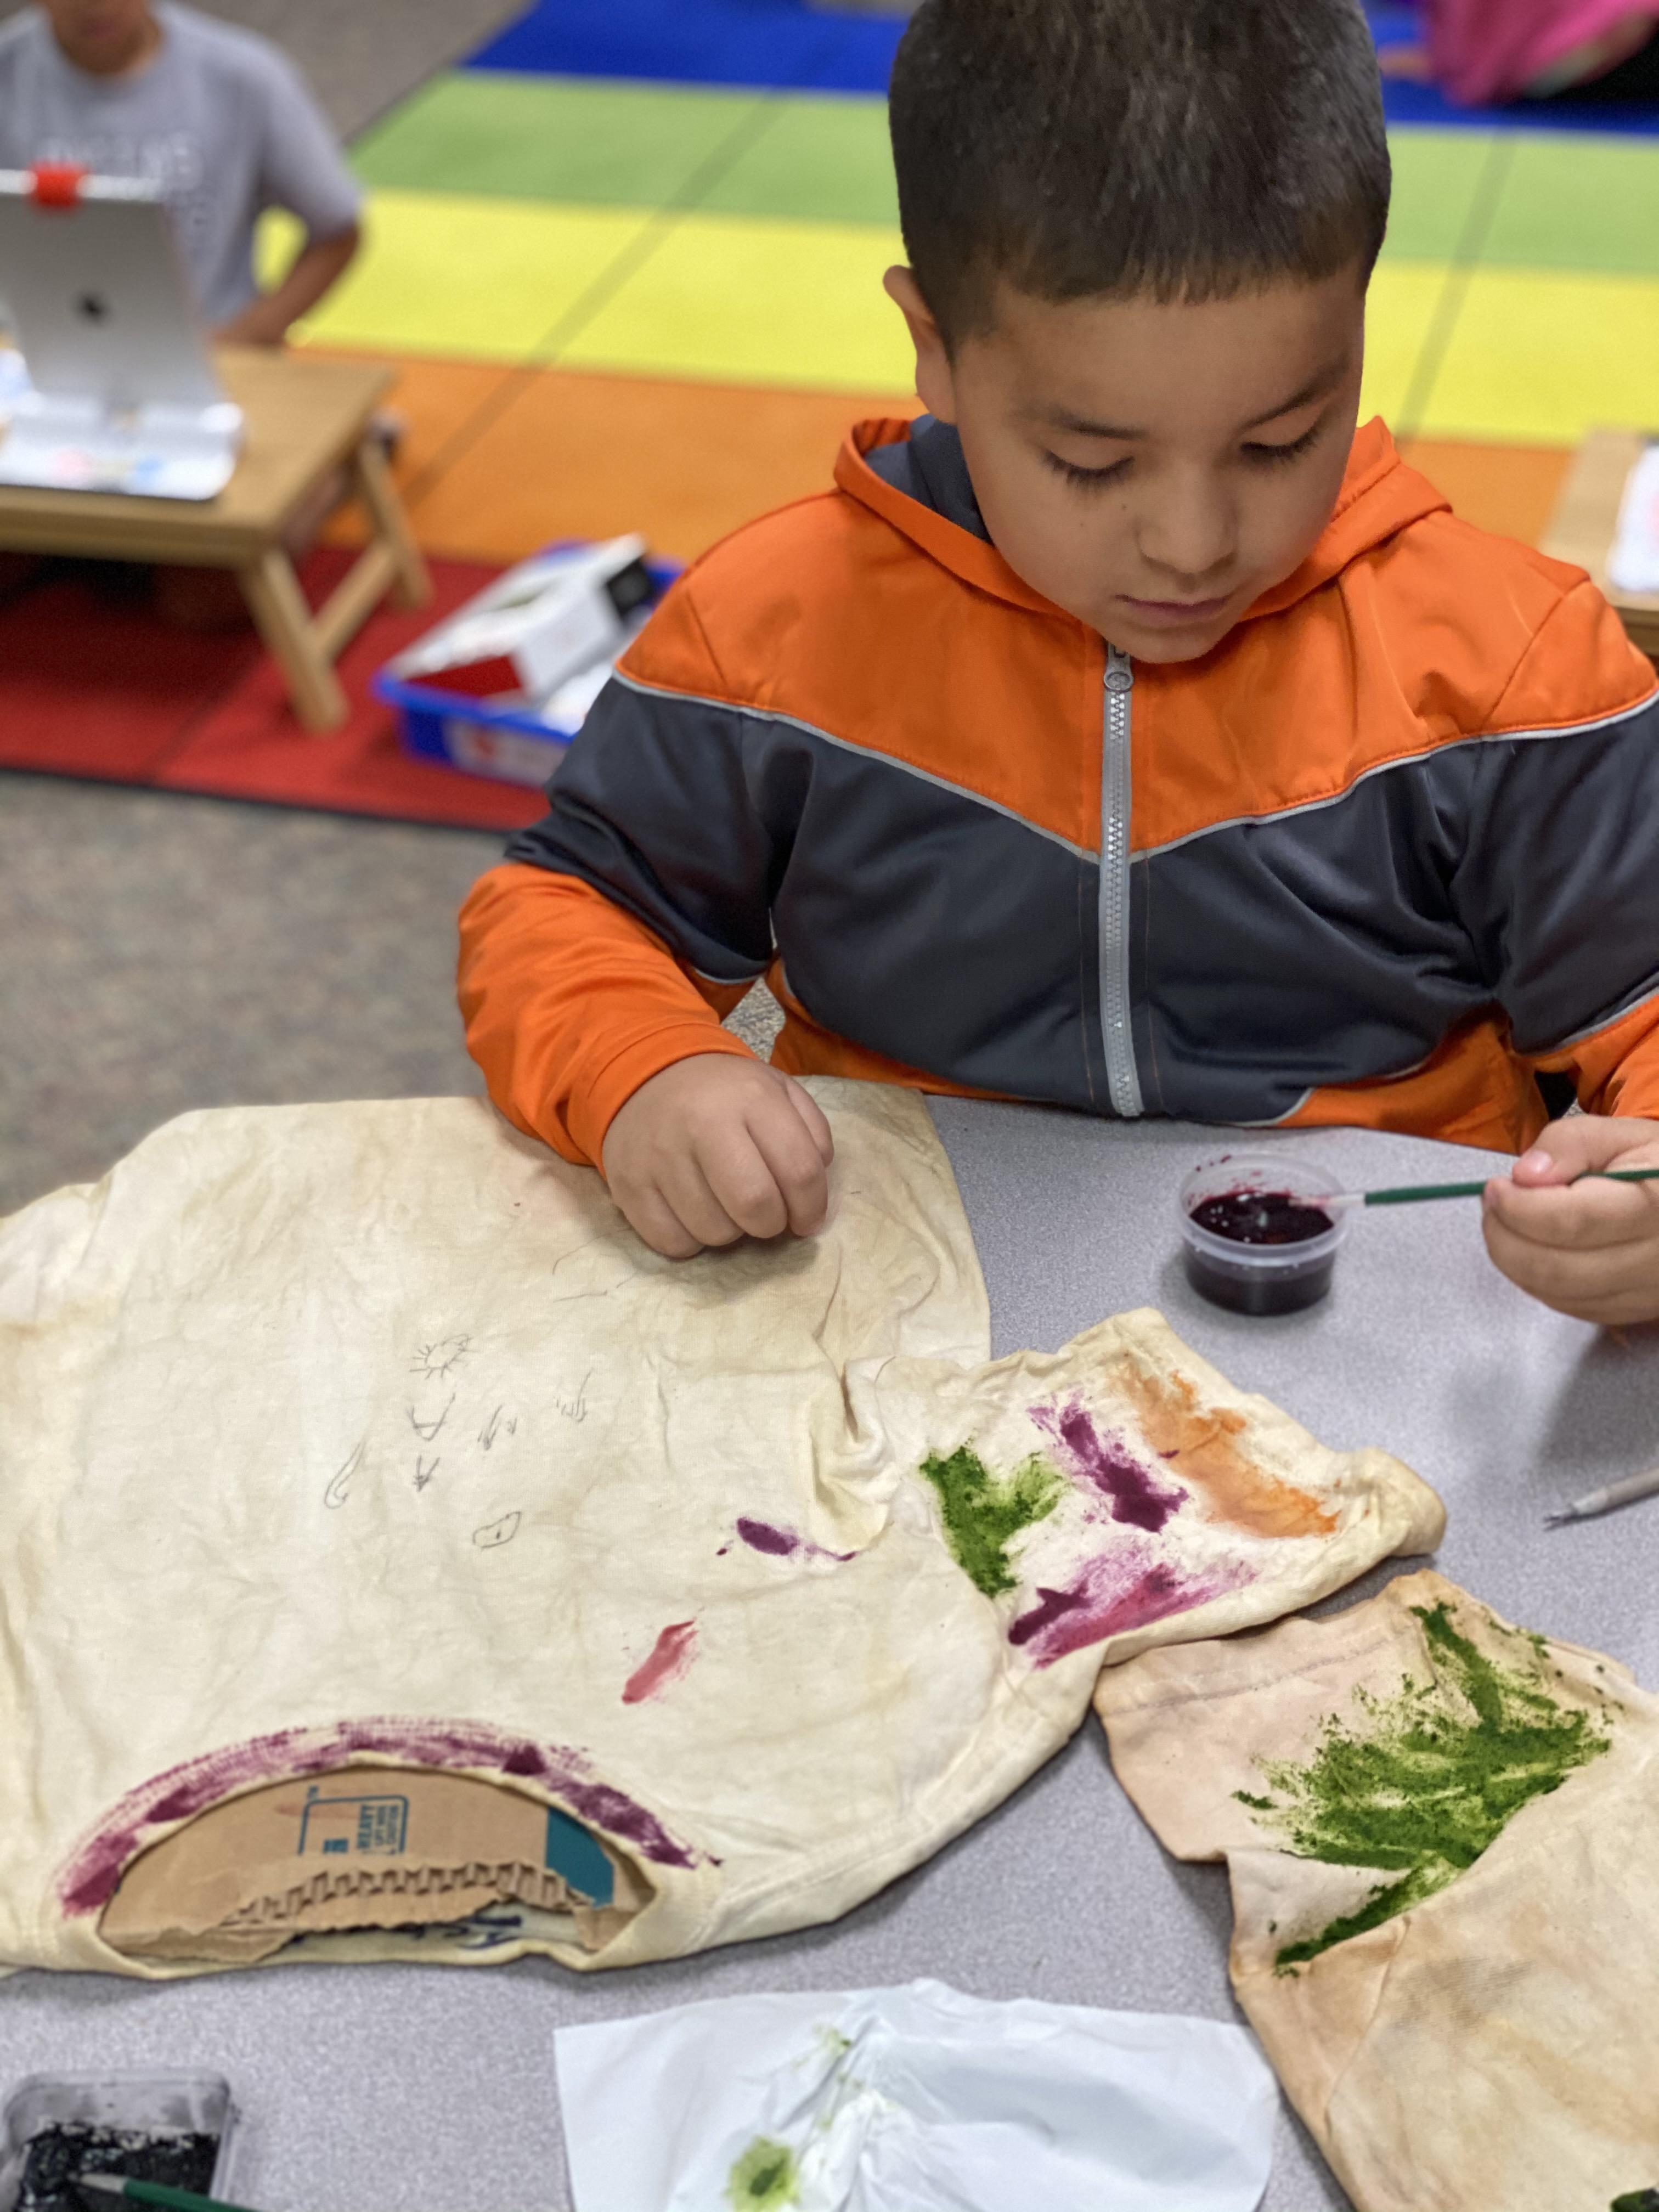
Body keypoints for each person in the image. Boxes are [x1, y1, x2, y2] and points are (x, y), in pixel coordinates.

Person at [456, 0, 1659, 1327]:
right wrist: (643, 1068)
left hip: (1382, 1308)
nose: (1194, 544)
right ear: (934, 348)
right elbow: (568, 907)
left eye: (1279, 443)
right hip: (900, 1292)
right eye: (1092, 462)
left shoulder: (1515, 664)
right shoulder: (771, 631)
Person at [0, 0, 361, 345]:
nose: (96, 5)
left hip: (211, 353)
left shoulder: (243, 75)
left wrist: (244, 339)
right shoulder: (10, 72)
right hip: (28, 356)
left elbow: (338, 230)